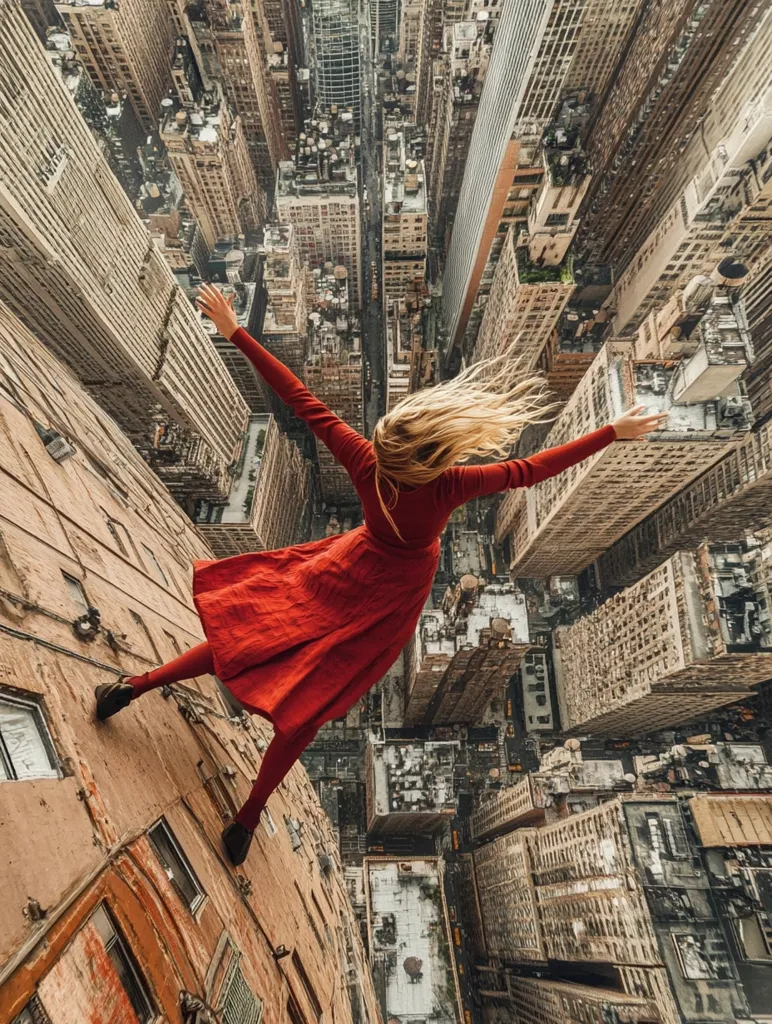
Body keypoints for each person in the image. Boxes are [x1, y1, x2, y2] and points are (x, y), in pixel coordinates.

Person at [95, 285, 668, 865]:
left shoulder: (365, 461)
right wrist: (610, 433)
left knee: (248, 636)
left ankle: (134, 687)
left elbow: (300, 399)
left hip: (343, 569)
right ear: (439, 450)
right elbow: (530, 471)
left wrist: (234, 330)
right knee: (308, 711)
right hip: (387, 601)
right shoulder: (450, 485)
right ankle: (246, 819)